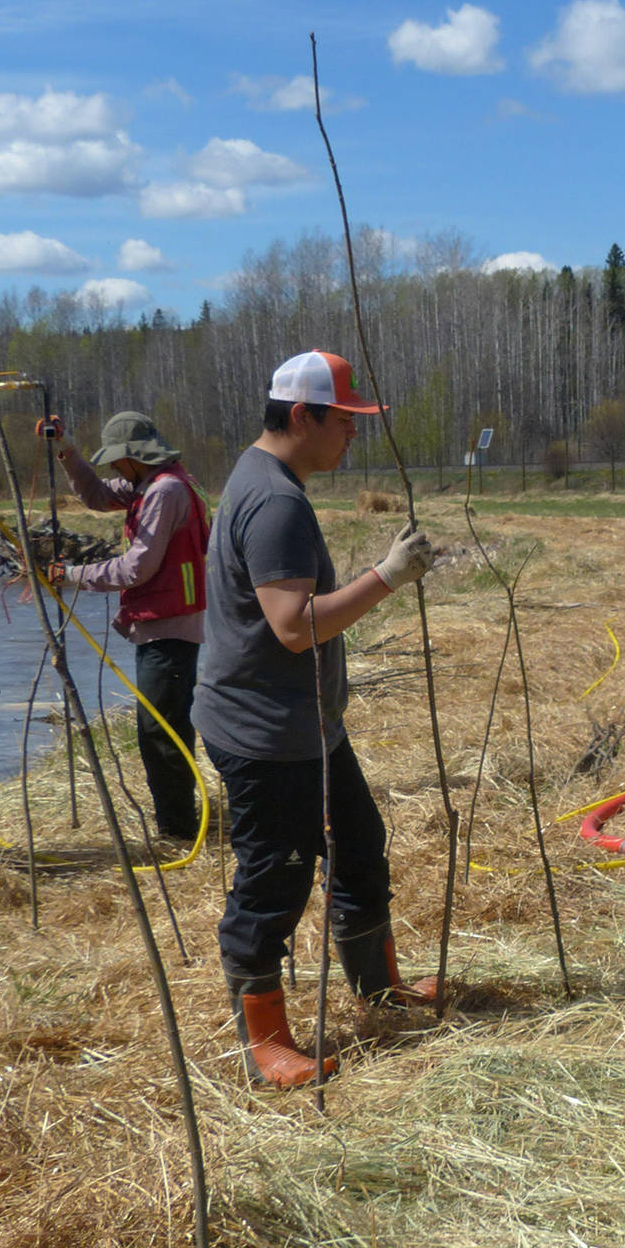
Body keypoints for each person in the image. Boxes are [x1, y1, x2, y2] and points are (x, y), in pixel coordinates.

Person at [195, 350, 437, 1088]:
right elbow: (295, 627)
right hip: (266, 732)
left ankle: (378, 989)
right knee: (276, 878)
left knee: (360, 845)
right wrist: (387, 577)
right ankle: (262, 1042)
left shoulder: (267, 480)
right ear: (302, 417)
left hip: (305, 727)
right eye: (344, 422)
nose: (351, 438)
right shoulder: (275, 502)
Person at [42, 410, 210, 846]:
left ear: (136, 457)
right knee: (161, 727)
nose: (114, 468)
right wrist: (66, 450)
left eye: (117, 460)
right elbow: (96, 496)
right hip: (164, 623)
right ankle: (176, 822)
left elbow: (137, 567)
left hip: (171, 626)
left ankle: (178, 830)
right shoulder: (151, 483)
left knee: (161, 731)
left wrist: (73, 575)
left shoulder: (166, 491)